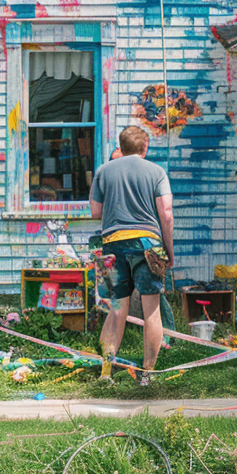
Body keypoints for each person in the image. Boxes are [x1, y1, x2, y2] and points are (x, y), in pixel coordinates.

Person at [89, 125, 174, 383]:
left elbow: (95, 212)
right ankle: (147, 373)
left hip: (111, 244)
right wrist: (169, 252)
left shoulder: (103, 171)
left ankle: (106, 371)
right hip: (149, 244)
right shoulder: (157, 171)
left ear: (121, 146)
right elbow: (166, 213)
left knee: (115, 308)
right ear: (144, 148)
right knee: (151, 311)